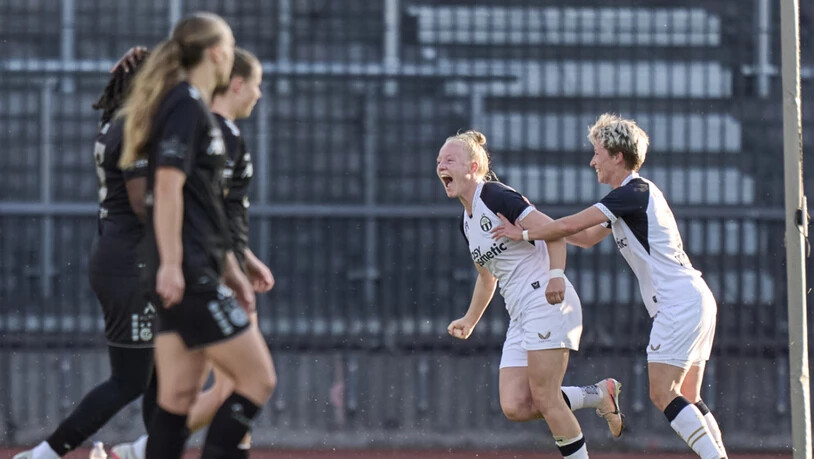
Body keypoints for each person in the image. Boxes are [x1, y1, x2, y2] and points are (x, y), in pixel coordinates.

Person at [490, 114, 727, 459]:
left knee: (663, 393)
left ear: (617, 156)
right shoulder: (629, 199)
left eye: (598, 153)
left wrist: (525, 231)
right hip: (694, 298)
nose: (592, 161)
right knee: (688, 396)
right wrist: (543, 228)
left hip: (679, 303)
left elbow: (572, 223)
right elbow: (584, 237)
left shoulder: (634, 191)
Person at [118, 12, 275, 458]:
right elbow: (167, 189)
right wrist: (171, 264)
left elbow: (204, 207)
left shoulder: (191, 106)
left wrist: (234, 267)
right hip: (188, 272)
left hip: (197, 266)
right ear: (216, 53)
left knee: (177, 399)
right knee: (258, 380)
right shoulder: (186, 105)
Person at [439, 131, 624, 459]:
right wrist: (470, 319)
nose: (441, 165)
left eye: (449, 159)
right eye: (439, 161)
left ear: (474, 165)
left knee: (546, 398)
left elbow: (554, 231)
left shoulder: (495, 195)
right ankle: (598, 395)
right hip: (521, 315)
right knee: (515, 405)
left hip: (547, 300)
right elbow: (487, 278)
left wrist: (556, 276)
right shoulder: (466, 224)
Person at [13, 49, 155, 459]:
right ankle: (43, 455)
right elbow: (143, 202)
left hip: (124, 257)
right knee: (130, 380)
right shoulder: (133, 125)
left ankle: (147, 451)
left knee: (162, 374)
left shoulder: (118, 118)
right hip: (130, 263)